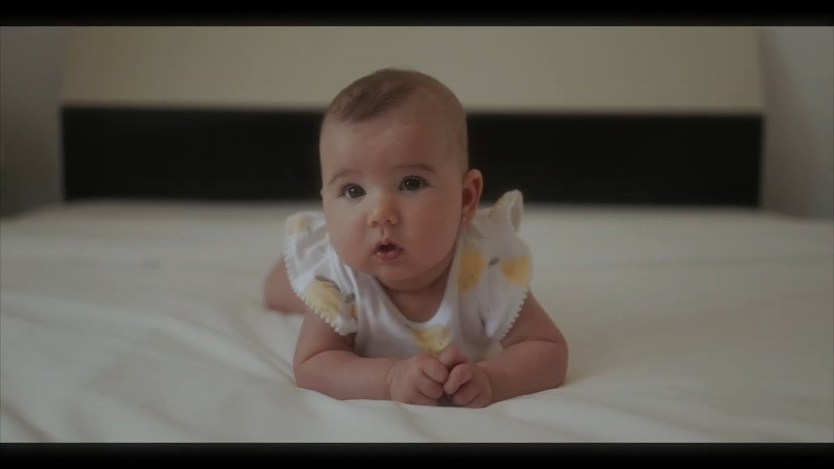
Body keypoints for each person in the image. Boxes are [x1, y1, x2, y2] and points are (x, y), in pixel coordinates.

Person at [263, 67, 568, 408]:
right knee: (280, 291)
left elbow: (547, 349)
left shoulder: (486, 267)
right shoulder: (337, 275)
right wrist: (390, 379)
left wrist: (493, 379)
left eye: (411, 183)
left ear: (466, 199)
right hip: (338, 279)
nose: (380, 214)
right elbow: (313, 364)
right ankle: (295, 276)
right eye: (353, 190)